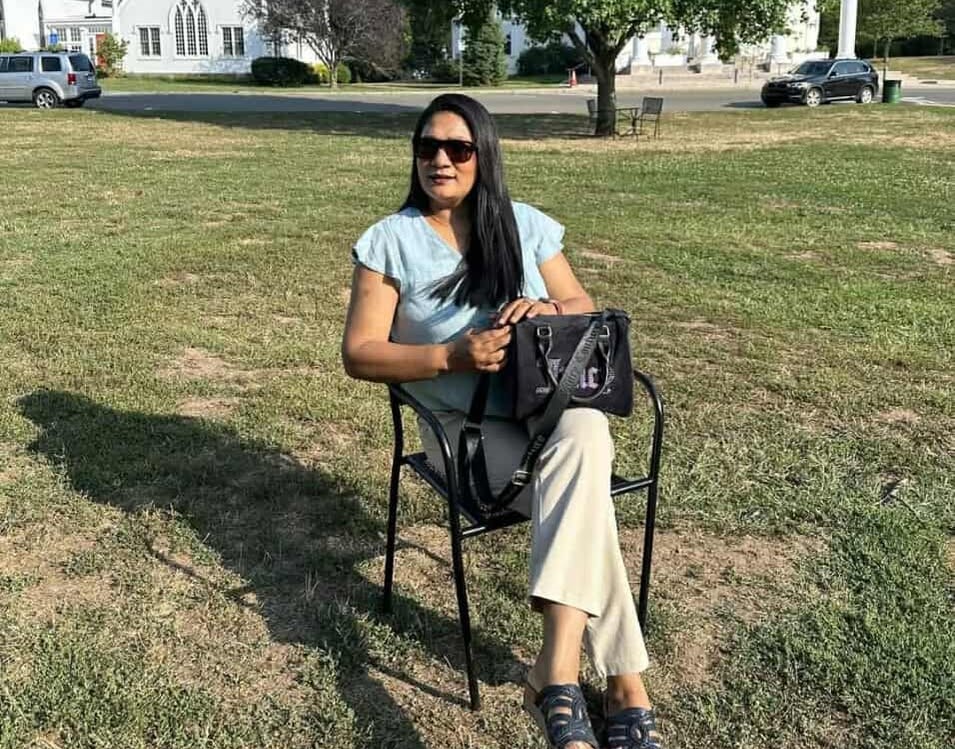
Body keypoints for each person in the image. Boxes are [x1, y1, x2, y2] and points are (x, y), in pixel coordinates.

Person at [342, 93, 662, 749]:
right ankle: (624, 683)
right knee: (585, 496)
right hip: (459, 431)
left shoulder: (523, 225)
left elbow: (580, 303)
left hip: (542, 410)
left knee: (586, 432)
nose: (440, 160)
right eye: (427, 146)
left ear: (483, 155)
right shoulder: (389, 242)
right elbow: (360, 353)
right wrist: (448, 355)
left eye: (458, 148)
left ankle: (556, 672)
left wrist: (547, 309)